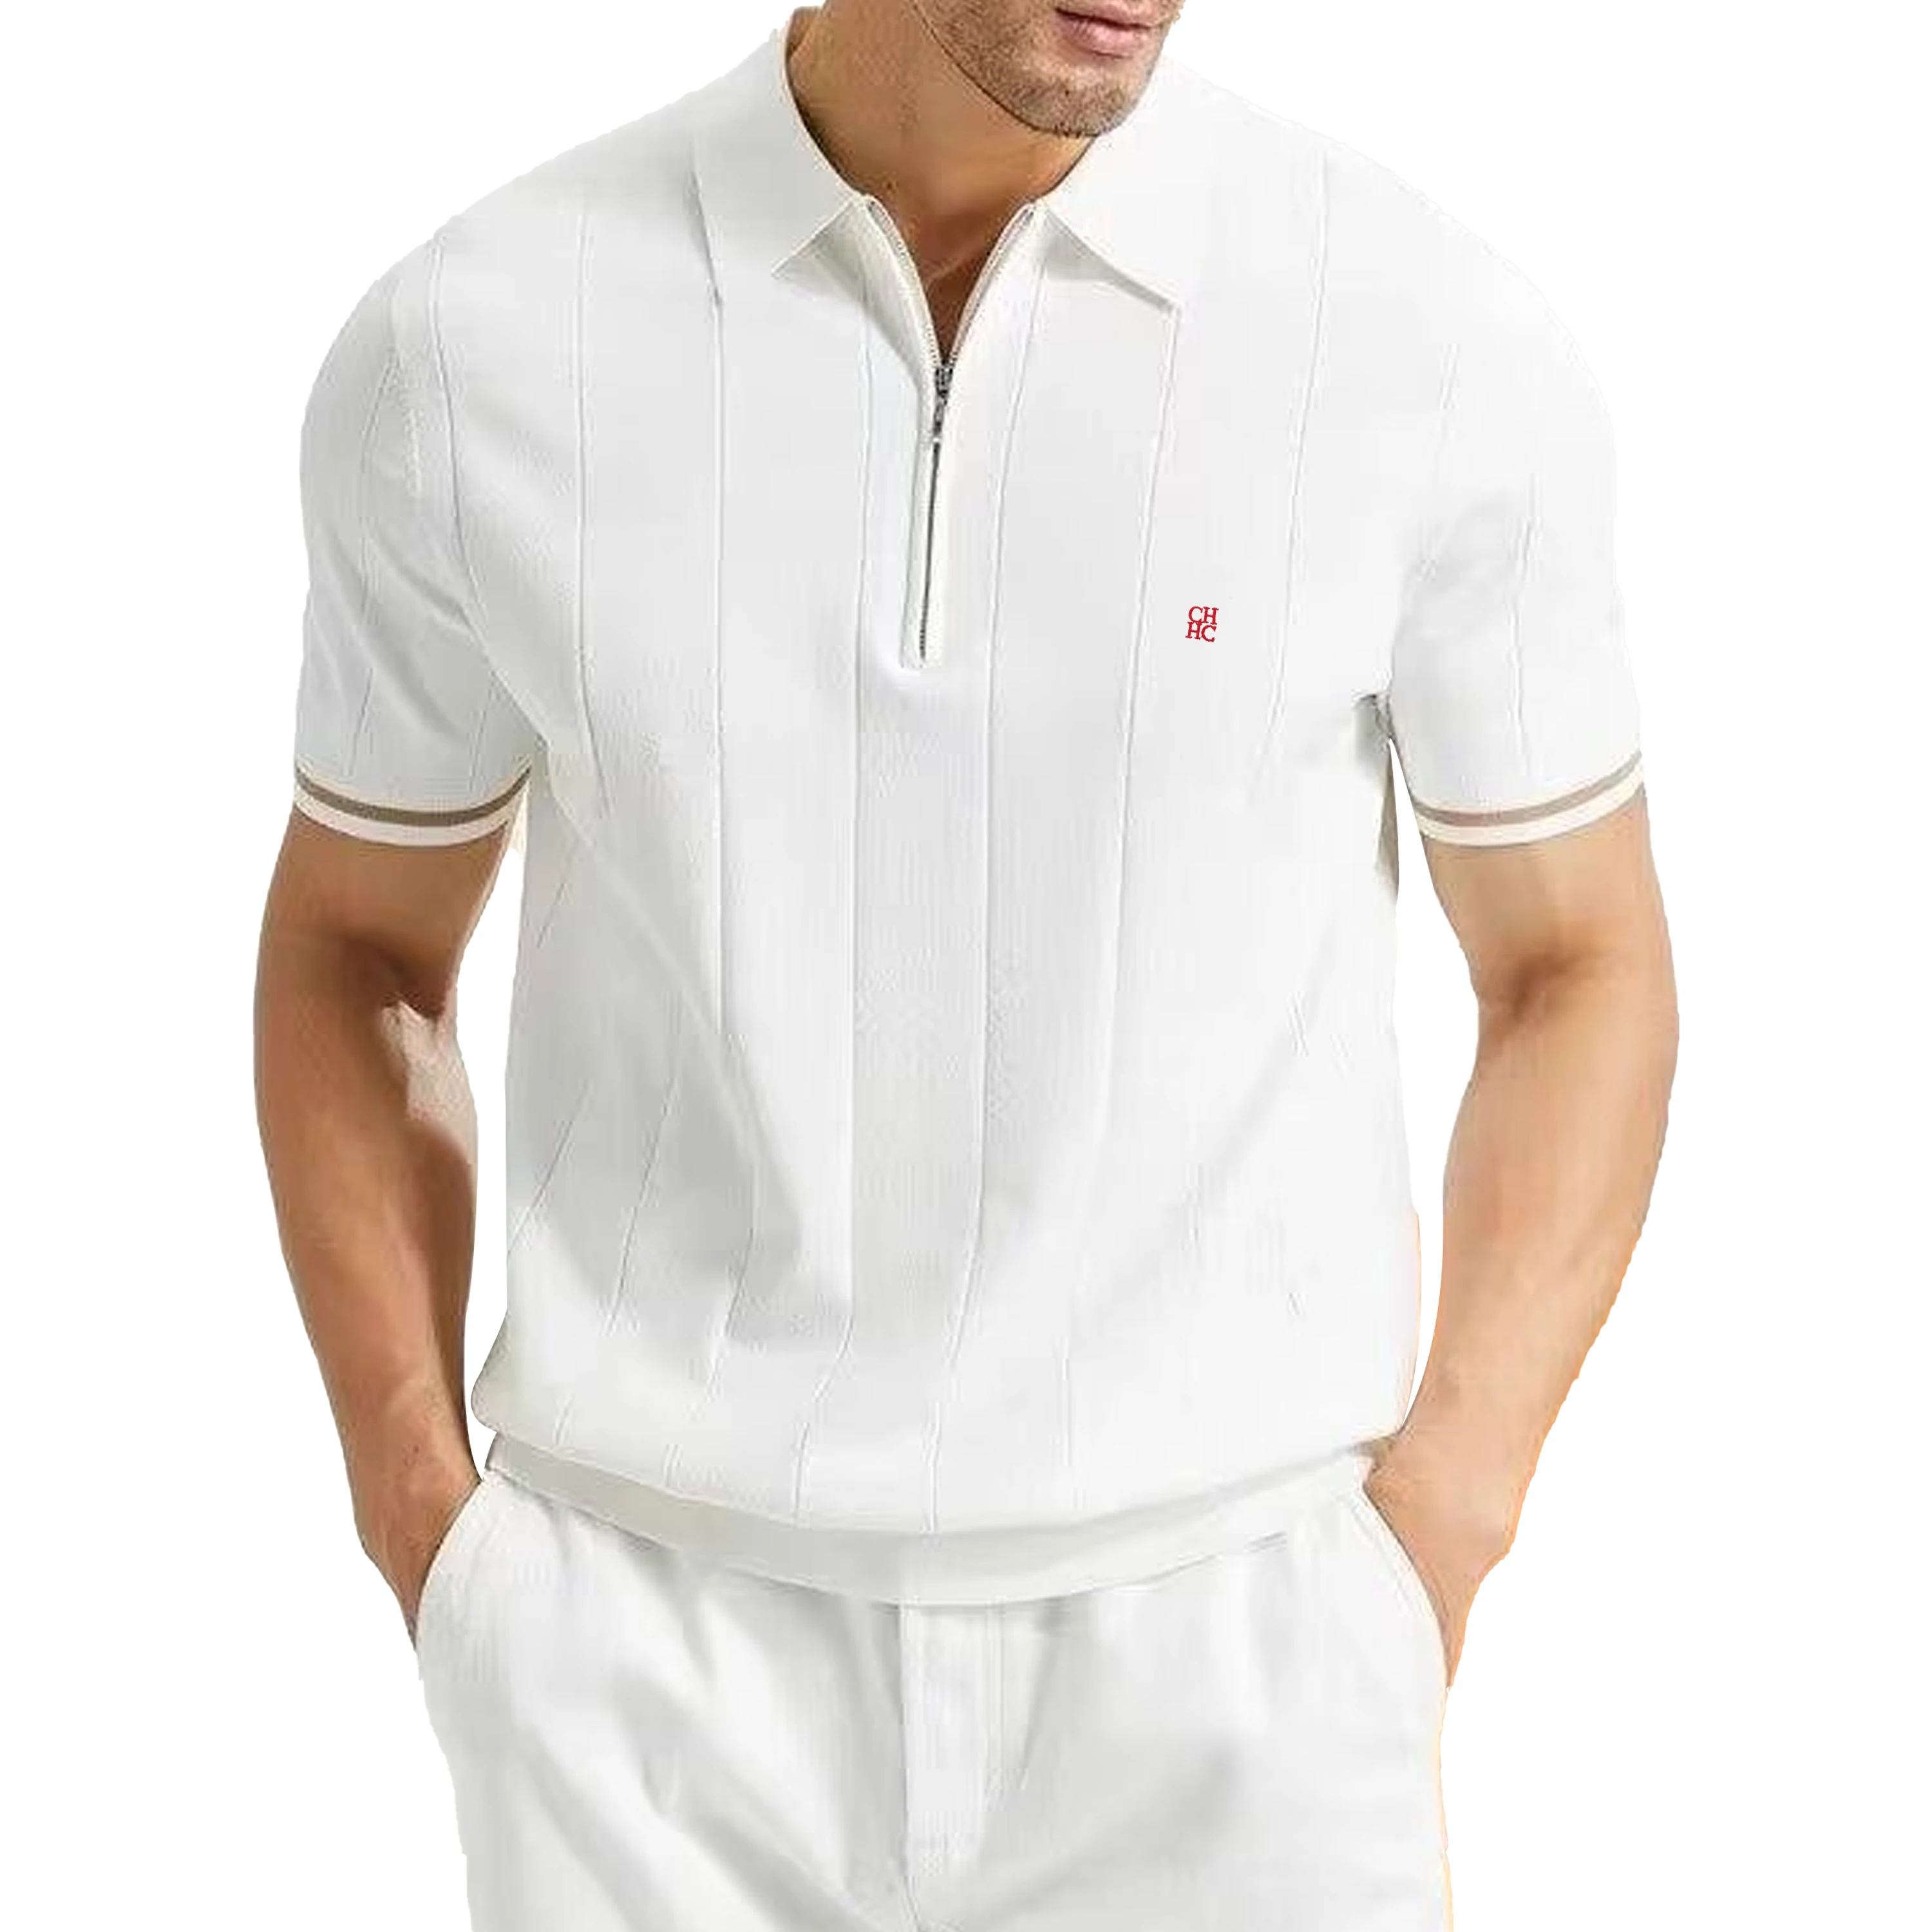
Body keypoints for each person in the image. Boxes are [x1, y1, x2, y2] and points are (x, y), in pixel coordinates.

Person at [254, 2, 1678, 1926]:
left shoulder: (1424, 341)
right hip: (643, 1681)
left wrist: (1438, 1532)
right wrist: (420, 1514)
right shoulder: (482, 342)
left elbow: (1578, 962)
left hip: (1241, 1670)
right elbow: (358, 948)